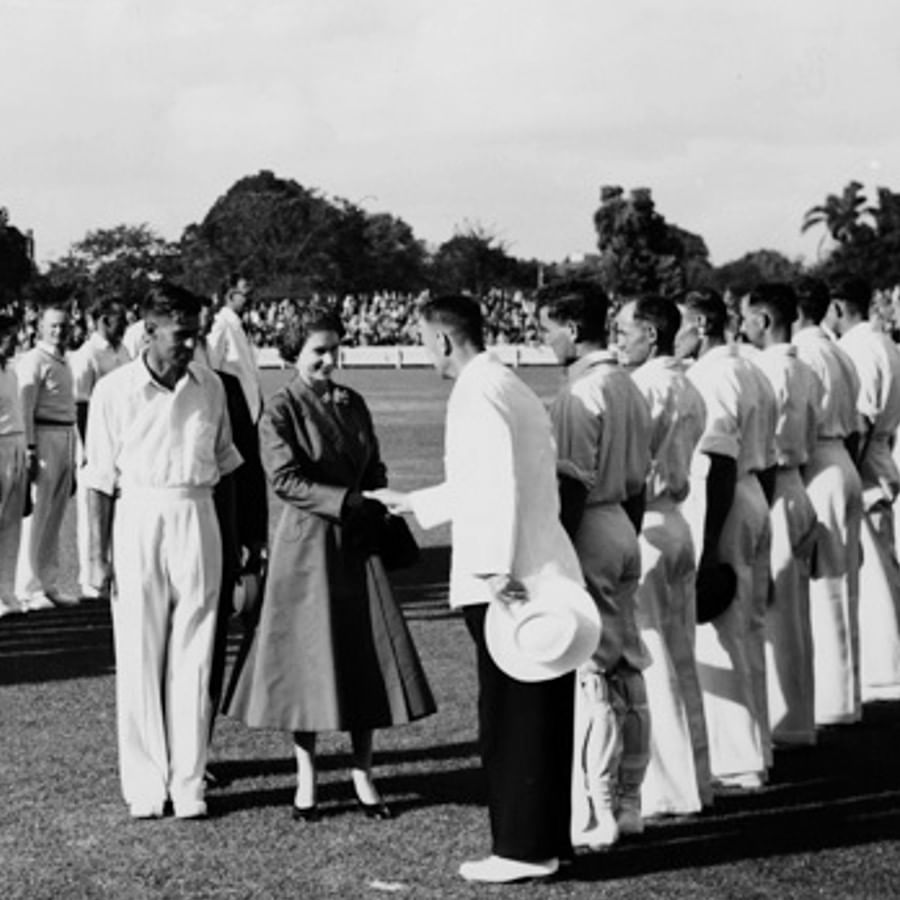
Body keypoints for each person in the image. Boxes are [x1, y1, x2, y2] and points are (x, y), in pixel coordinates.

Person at [371, 295, 582, 884]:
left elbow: (493, 484)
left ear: (441, 340)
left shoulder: (476, 390)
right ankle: (545, 839)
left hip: (509, 577)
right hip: (537, 565)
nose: (423, 351)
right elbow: (491, 479)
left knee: (513, 715)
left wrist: (491, 568)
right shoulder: (508, 383)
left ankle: (521, 847)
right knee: (536, 712)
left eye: (423, 339)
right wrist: (417, 502)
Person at [226, 303, 435, 824]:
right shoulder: (280, 409)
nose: (329, 360)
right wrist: (349, 501)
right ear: (293, 353)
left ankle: (363, 773)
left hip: (358, 541)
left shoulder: (353, 402)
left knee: (361, 653)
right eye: (319, 351)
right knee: (308, 661)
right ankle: (307, 778)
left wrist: (378, 501)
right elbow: (285, 480)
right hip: (309, 546)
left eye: (334, 349)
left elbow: (375, 462)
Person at [83, 282, 243, 819]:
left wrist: (241, 541)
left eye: (196, 333)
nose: (191, 343)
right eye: (181, 334)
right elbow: (99, 480)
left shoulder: (211, 387)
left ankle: (189, 782)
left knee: (196, 656)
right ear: (149, 331)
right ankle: (146, 786)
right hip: (137, 517)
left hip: (197, 514)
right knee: (139, 652)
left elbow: (227, 466)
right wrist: (99, 558)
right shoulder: (114, 391)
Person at [534, 280, 652, 850]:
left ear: (572, 329)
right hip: (624, 523)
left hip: (591, 526)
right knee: (627, 666)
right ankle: (629, 800)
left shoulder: (582, 391)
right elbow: (640, 481)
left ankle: (600, 808)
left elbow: (572, 483)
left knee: (595, 672)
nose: (543, 339)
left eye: (547, 328)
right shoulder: (627, 383)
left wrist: (554, 553)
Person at [615, 295, 712, 817]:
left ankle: (666, 788)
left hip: (648, 522)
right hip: (674, 522)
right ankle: (693, 779)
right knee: (678, 653)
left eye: (624, 330)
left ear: (651, 333)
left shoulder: (645, 386)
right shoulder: (688, 384)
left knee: (650, 657)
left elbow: (629, 465)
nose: (617, 339)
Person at [678, 288, 774, 790]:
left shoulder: (712, 375)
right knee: (748, 627)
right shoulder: (752, 367)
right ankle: (755, 747)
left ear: (698, 323)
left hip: (728, 498)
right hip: (754, 494)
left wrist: (709, 546)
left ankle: (737, 758)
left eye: (679, 324)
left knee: (723, 631)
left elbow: (717, 460)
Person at [740, 284, 820, 747]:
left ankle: (786, 721)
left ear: (765, 321)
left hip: (774, 484)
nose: (743, 326)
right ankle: (795, 716)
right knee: (790, 612)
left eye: (748, 318)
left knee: (774, 613)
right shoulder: (802, 366)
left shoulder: (767, 368)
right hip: (794, 484)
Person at [792, 277, 864, 726]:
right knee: (841, 584)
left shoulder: (809, 354)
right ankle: (842, 694)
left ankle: (832, 700)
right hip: (842, 460)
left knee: (823, 587)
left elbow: (801, 421)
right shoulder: (838, 350)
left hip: (818, 461)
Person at [833, 276, 900, 701]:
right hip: (881, 456)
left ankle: (882, 667)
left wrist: (852, 474)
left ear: (839, 308)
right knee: (882, 569)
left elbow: (862, 419)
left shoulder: (859, 347)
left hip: (867, 463)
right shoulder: (883, 343)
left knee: (873, 574)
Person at [15, 296, 79, 610]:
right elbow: (25, 407)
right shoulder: (34, 360)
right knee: (37, 514)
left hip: (66, 435)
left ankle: (49, 581)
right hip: (43, 436)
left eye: (64, 326)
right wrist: (29, 448)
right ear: (41, 328)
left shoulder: (66, 360)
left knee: (55, 516)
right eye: (53, 326)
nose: (59, 331)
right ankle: (28, 586)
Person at [70, 297, 130, 600]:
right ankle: (89, 579)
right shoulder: (87, 355)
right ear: (104, 320)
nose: (126, 323)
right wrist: (89, 451)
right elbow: (80, 405)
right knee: (91, 513)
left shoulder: (124, 351)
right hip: (96, 444)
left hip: (123, 444)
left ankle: (114, 572)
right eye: (119, 318)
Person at [0, 315, 28, 617]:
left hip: (16, 445)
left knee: (11, 524)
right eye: (9, 336)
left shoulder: (11, 370)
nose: (15, 342)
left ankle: (7, 594)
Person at [207, 274, 263, 424]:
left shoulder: (238, 324)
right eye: (246, 294)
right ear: (231, 296)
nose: (250, 299)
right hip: (233, 408)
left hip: (250, 404)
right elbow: (212, 369)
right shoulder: (220, 325)